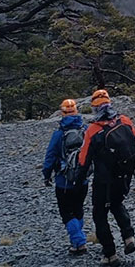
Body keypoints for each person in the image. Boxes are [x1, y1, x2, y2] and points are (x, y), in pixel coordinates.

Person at [79, 89, 135, 265]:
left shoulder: (93, 130)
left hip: (103, 181)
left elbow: (83, 160)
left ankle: (110, 254)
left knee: (100, 214)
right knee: (117, 204)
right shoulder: (124, 121)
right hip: (124, 176)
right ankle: (128, 236)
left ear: (94, 108)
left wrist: (79, 178)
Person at [42, 99, 89, 254]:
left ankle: (79, 242)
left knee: (66, 212)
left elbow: (50, 157)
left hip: (64, 181)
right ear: (76, 112)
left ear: (62, 113)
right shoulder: (85, 129)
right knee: (78, 209)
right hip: (83, 179)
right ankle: (76, 242)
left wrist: (46, 175)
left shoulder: (59, 134)